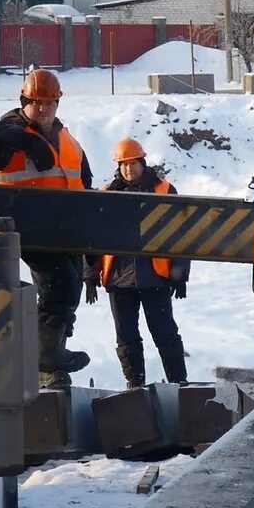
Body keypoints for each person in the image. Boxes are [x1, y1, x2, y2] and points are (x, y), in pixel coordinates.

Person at [0, 68, 93, 388]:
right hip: (27, 227)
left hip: (65, 229)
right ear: (24, 101)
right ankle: (45, 358)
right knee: (58, 285)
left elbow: (84, 181)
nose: (42, 108)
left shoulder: (67, 139)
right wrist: (24, 140)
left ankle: (51, 358)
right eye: (35, 102)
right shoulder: (11, 131)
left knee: (69, 290)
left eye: (48, 103)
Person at [83, 139, 190, 389]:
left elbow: (180, 235)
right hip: (119, 281)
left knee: (165, 334)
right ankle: (135, 385)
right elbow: (93, 239)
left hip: (155, 278)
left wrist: (180, 274)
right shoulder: (106, 195)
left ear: (142, 162)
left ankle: (179, 383)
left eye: (133, 163)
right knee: (126, 338)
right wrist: (90, 275)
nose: (129, 169)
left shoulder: (164, 190)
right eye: (124, 164)